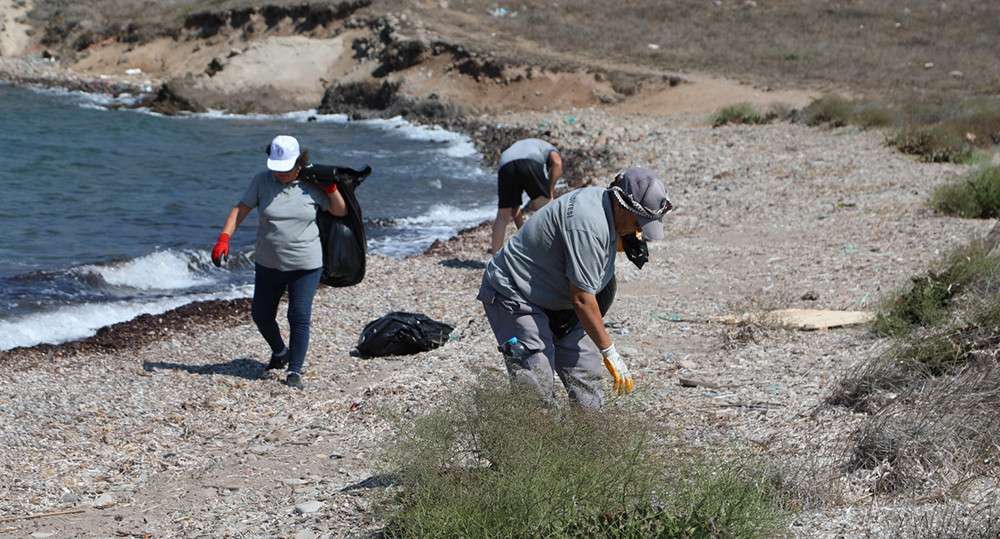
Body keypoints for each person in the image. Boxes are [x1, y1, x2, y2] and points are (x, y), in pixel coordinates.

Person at [477, 167, 672, 408]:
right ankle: (532, 442)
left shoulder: (610, 208)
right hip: (515, 293)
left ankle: (589, 443)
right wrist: (610, 351)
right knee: (535, 382)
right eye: (638, 222)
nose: (639, 230)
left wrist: (625, 237)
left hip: (560, 299)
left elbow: (586, 289)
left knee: (586, 380)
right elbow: (582, 299)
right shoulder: (587, 225)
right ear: (623, 206)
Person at [211, 135, 347, 389]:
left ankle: (295, 370)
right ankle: (280, 352)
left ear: (299, 163)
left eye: (284, 169)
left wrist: (331, 190)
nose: (279, 174)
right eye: (275, 168)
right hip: (268, 262)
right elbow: (240, 209)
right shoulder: (262, 181)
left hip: (305, 264)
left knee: (298, 315)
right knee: (261, 315)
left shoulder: (313, 184)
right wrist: (224, 238)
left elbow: (339, 211)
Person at [489, 137, 563, 254]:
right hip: (529, 161)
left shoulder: (520, 145)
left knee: (502, 216)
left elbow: (515, 208)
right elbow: (557, 163)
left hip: (505, 165)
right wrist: (550, 190)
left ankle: (494, 259)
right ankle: (555, 253)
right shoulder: (550, 148)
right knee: (547, 210)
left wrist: (523, 232)